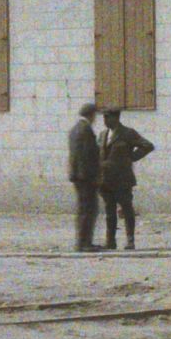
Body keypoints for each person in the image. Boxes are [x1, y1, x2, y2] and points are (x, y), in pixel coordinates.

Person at [98, 108, 156, 250]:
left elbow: (148, 146)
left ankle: (130, 241)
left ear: (116, 118)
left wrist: (131, 158)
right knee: (109, 212)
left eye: (107, 117)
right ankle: (110, 241)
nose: (105, 120)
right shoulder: (103, 134)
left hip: (122, 179)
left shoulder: (128, 133)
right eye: (104, 117)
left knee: (127, 210)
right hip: (105, 180)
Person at [67, 102, 102, 252]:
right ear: (91, 115)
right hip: (86, 177)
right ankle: (84, 243)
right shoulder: (85, 130)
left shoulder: (75, 129)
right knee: (89, 209)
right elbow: (87, 156)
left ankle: (83, 242)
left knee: (83, 209)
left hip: (78, 176)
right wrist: (93, 176)